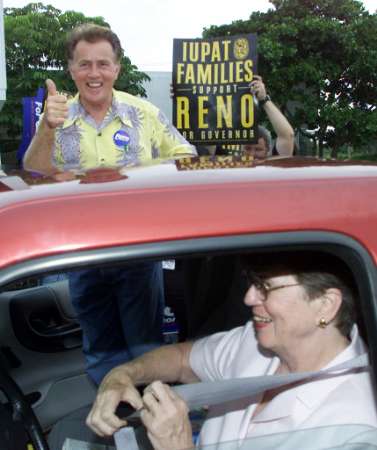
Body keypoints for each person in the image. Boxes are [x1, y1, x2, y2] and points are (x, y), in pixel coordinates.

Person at [23, 23, 197, 384]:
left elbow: (186, 157)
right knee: (99, 348)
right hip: (82, 255)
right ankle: (112, 425)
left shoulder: (143, 114)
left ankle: (150, 422)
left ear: (117, 68)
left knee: (145, 349)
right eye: (84, 64)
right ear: (71, 70)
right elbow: (33, 173)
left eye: (103, 63)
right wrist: (46, 129)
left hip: (137, 254)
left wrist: (149, 179)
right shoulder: (56, 118)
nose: (94, 73)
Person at [85, 252, 377, 449]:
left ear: (325, 305)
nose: (249, 297)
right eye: (252, 283)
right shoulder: (257, 342)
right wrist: (123, 374)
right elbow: (184, 359)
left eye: (265, 286)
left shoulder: (355, 428)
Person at [214, 75, 295, 160]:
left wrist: (264, 99)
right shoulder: (232, 166)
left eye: (258, 149)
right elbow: (208, 143)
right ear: (241, 149)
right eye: (248, 148)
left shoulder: (274, 166)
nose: (252, 154)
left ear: (267, 151)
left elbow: (288, 136)